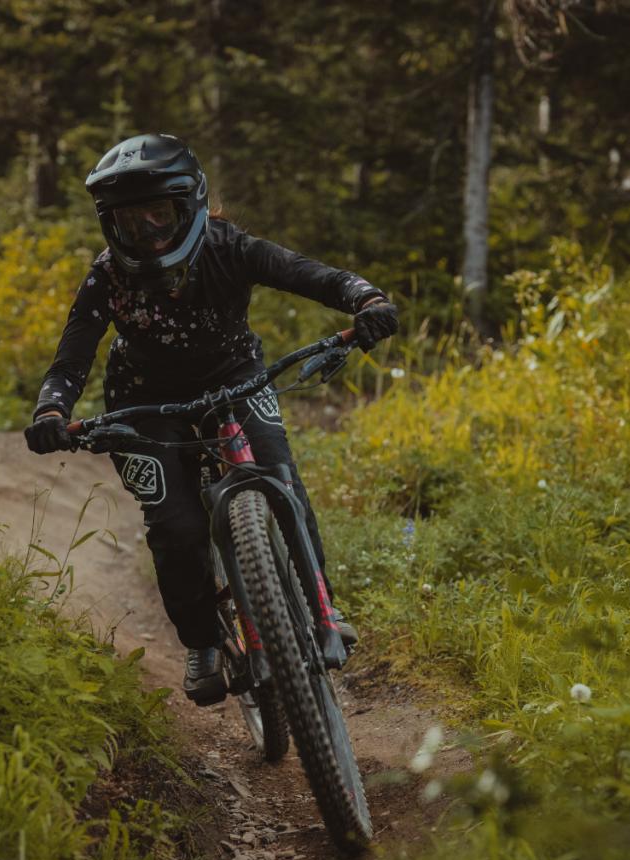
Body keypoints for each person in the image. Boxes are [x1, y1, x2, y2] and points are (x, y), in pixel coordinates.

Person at [24, 133, 398, 705]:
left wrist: (367, 300)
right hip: (143, 400)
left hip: (234, 375)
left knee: (279, 476)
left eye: (160, 213)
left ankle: (321, 605)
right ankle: (202, 642)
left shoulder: (231, 248)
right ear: (109, 225)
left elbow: (314, 275)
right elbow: (72, 357)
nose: (149, 232)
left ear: (192, 204)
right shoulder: (107, 275)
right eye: (130, 221)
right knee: (175, 527)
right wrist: (52, 409)